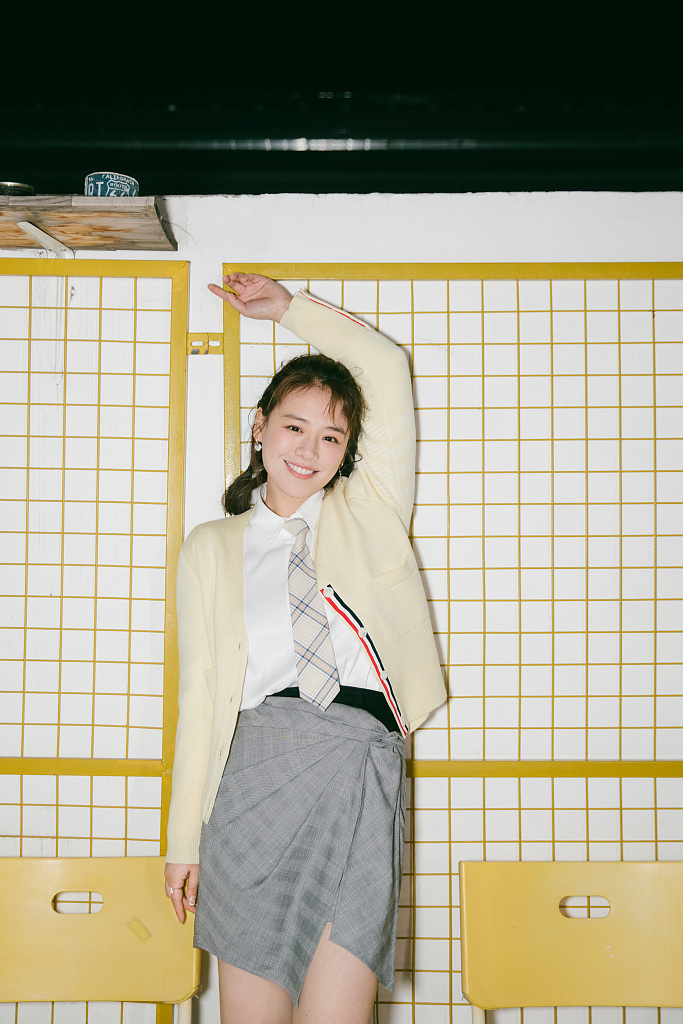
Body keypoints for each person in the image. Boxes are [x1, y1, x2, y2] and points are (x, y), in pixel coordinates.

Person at [164, 272, 446, 1024]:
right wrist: (183, 840)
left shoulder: (371, 509)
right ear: (260, 426)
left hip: (357, 772)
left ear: (348, 451)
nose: (310, 449)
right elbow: (200, 700)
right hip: (253, 783)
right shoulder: (211, 547)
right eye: (294, 426)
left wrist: (288, 309)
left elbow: (385, 366)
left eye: (331, 436)